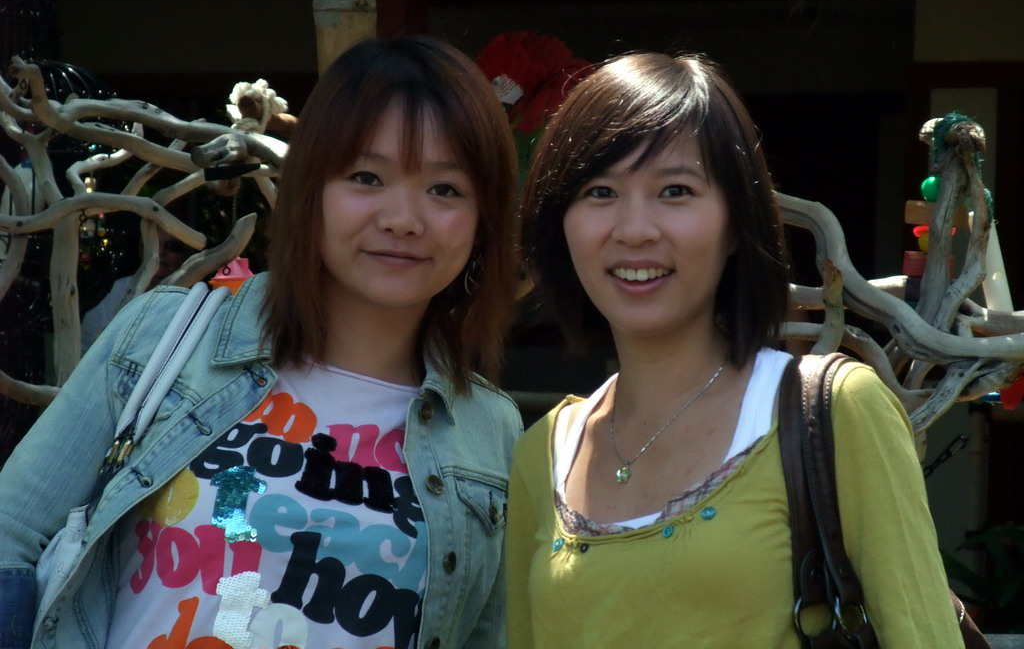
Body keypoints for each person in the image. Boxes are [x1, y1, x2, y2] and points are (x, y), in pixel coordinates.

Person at [0, 35, 522, 649]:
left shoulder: (490, 429)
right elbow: (12, 535)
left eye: (444, 190)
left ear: (483, 219)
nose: (403, 218)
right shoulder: (166, 337)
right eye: (366, 177)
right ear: (311, 192)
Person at [507, 52, 962, 647]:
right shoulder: (543, 452)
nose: (635, 229)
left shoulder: (837, 411)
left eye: (675, 190)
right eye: (599, 192)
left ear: (735, 225)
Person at [80, 226, 197, 353]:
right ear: (141, 249)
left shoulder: (195, 299)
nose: (160, 252)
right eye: (153, 244)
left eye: (171, 246)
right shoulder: (116, 290)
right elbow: (87, 341)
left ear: (186, 255)